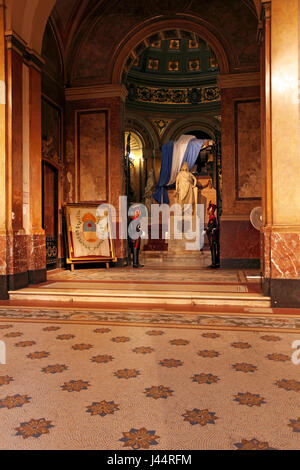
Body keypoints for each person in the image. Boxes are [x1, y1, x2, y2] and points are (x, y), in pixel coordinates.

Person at [205, 201, 220, 268]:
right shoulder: (211, 217)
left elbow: (211, 227)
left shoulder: (212, 218)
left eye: (209, 209)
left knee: (213, 249)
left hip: (212, 236)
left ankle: (214, 263)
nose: (208, 211)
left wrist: (206, 230)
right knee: (212, 249)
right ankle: (214, 262)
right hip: (211, 235)